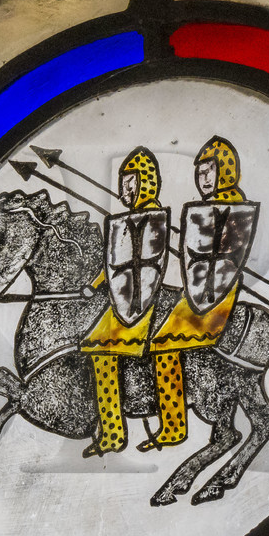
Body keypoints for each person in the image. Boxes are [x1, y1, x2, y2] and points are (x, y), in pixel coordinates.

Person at [144, 136, 258, 450]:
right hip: (199, 292)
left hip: (216, 298)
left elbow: (220, 264)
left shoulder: (233, 209)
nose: (203, 178)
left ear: (226, 171)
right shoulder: (209, 209)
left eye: (209, 171)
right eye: (200, 172)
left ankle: (173, 427)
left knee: (163, 344)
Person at [79, 147, 169, 457]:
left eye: (131, 182)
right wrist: (94, 286)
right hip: (125, 298)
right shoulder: (127, 220)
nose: (125, 189)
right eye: (123, 183)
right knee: (97, 349)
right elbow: (116, 264)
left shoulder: (153, 218)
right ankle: (113, 433)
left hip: (145, 300)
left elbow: (146, 264)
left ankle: (116, 433)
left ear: (146, 183)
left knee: (103, 353)